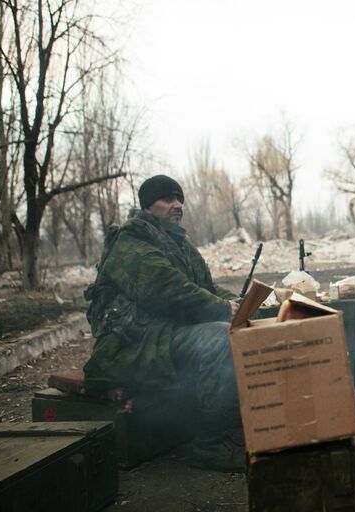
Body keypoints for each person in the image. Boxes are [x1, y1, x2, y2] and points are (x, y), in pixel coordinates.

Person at [83, 174, 244, 471]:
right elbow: (166, 290)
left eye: (179, 199)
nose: (177, 205)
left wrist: (241, 302)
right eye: (168, 199)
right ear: (147, 207)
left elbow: (205, 288)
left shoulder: (179, 243)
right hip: (132, 343)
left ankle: (231, 426)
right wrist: (222, 308)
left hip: (162, 333)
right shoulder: (131, 243)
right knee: (220, 338)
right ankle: (210, 446)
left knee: (242, 328)